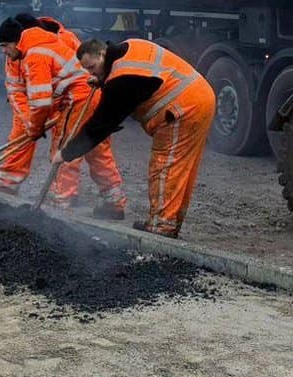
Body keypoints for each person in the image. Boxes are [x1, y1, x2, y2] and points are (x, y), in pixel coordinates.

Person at [60, 38, 215, 239]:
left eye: (93, 67)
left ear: (103, 55)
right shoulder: (127, 48)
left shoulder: (122, 79)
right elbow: (140, 80)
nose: (91, 73)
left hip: (183, 108)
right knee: (181, 169)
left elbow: (99, 126)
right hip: (198, 96)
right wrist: (102, 81)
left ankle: (161, 230)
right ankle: (169, 223)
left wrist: (66, 153)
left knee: (165, 167)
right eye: (87, 70)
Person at [0, 17, 128, 219]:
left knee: (65, 148)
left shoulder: (35, 53)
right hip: (86, 96)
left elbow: (41, 102)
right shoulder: (37, 46)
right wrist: (33, 124)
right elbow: (33, 92)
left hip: (78, 99)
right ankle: (113, 201)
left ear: (17, 39)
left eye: (5, 46)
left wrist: (35, 128)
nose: (3, 51)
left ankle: (61, 204)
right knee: (95, 149)